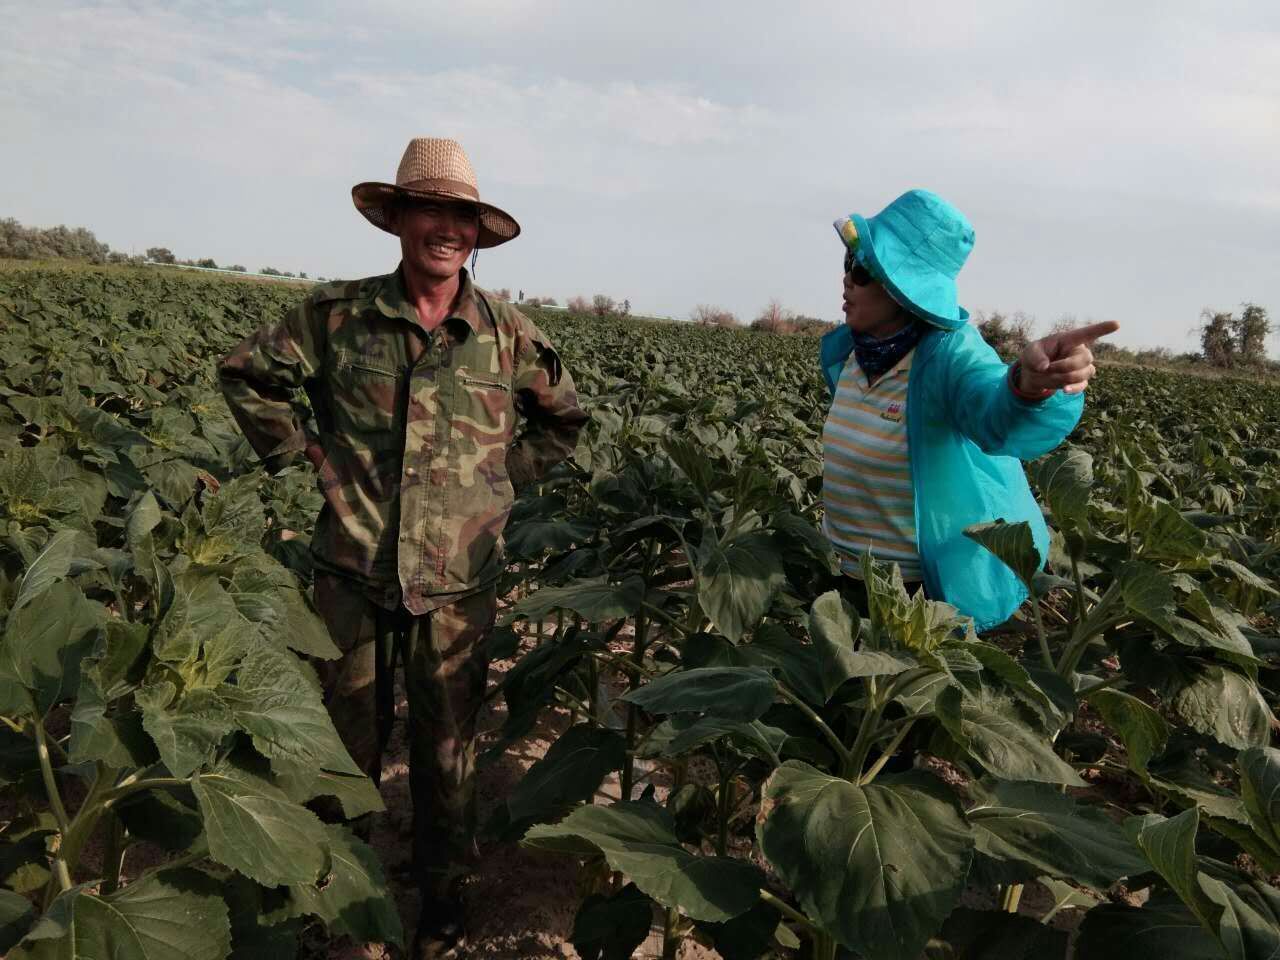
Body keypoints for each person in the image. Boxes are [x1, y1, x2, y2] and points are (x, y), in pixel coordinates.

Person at [218, 137, 587, 958]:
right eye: (431, 211)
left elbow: (562, 421)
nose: (446, 230)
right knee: (342, 744)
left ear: (477, 232)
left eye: (462, 216)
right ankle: (331, 887)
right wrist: (306, 454)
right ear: (400, 219)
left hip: (457, 582)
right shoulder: (335, 315)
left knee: (446, 750)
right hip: (351, 569)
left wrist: (499, 480)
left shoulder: (508, 334)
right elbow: (247, 373)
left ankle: (444, 899)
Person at [821, 189, 1116, 630]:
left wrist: (1029, 386)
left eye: (861, 270)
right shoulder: (852, 350)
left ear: (900, 286)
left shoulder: (948, 355)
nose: (846, 279)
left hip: (918, 598)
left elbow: (994, 410)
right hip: (846, 574)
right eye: (848, 263)